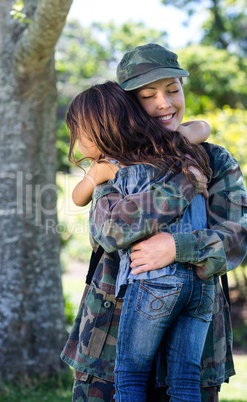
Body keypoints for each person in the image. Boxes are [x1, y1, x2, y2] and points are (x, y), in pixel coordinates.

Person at [61, 44, 247, 402]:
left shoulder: (215, 159)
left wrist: (178, 247)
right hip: (110, 346)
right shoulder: (116, 163)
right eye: (148, 96)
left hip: (196, 350)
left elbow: (238, 235)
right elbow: (112, 228)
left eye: (173, 90)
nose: (165, 104)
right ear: (128, 106)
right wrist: (184, 182)